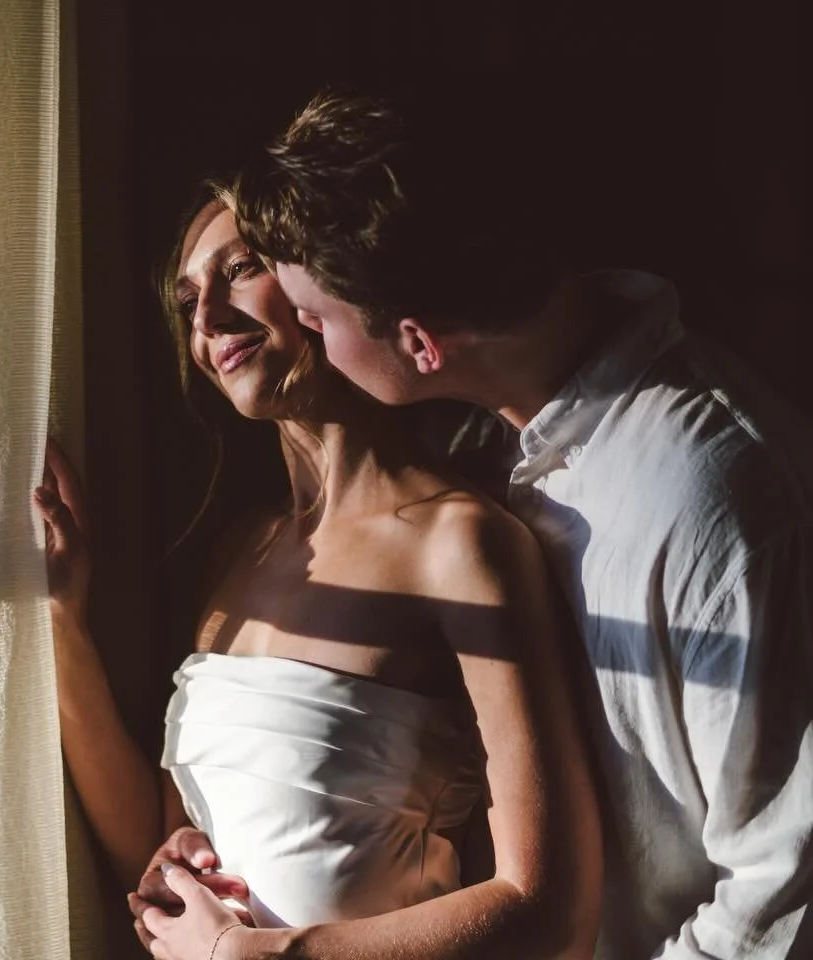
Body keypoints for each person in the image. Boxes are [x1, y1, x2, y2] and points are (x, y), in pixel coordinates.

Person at [165, 86, 813, 958]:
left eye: (313, 318)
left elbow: (782, 897)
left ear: (420, 344)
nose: (227, 322)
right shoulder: (495, 451)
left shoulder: (712, 504)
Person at [37, 181, 601, 958]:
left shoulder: (461, 545)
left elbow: (549, 911)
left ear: (316, 283)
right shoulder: (242, 552)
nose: (206, 320)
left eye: (238, 269)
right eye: (185, 301)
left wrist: (254, 955)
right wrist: (62, 621)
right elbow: (153, 836)